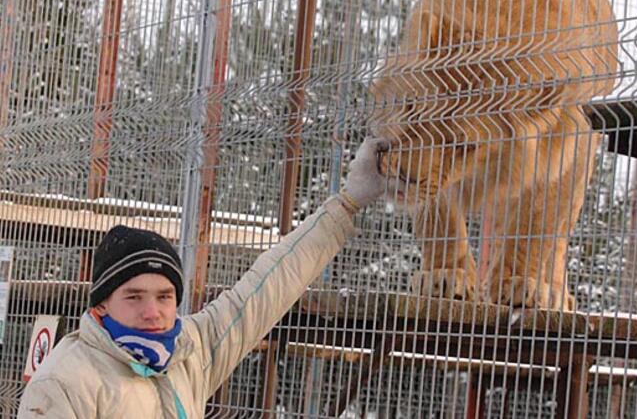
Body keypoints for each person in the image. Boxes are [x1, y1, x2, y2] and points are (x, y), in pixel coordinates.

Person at [17, 138, 389, 418]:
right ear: (101, 304)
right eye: (134, 297)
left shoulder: (188, 350)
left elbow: (270, 285)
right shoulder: (65, 382)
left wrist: (347, 202)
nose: (153, 312)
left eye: (164, 296)